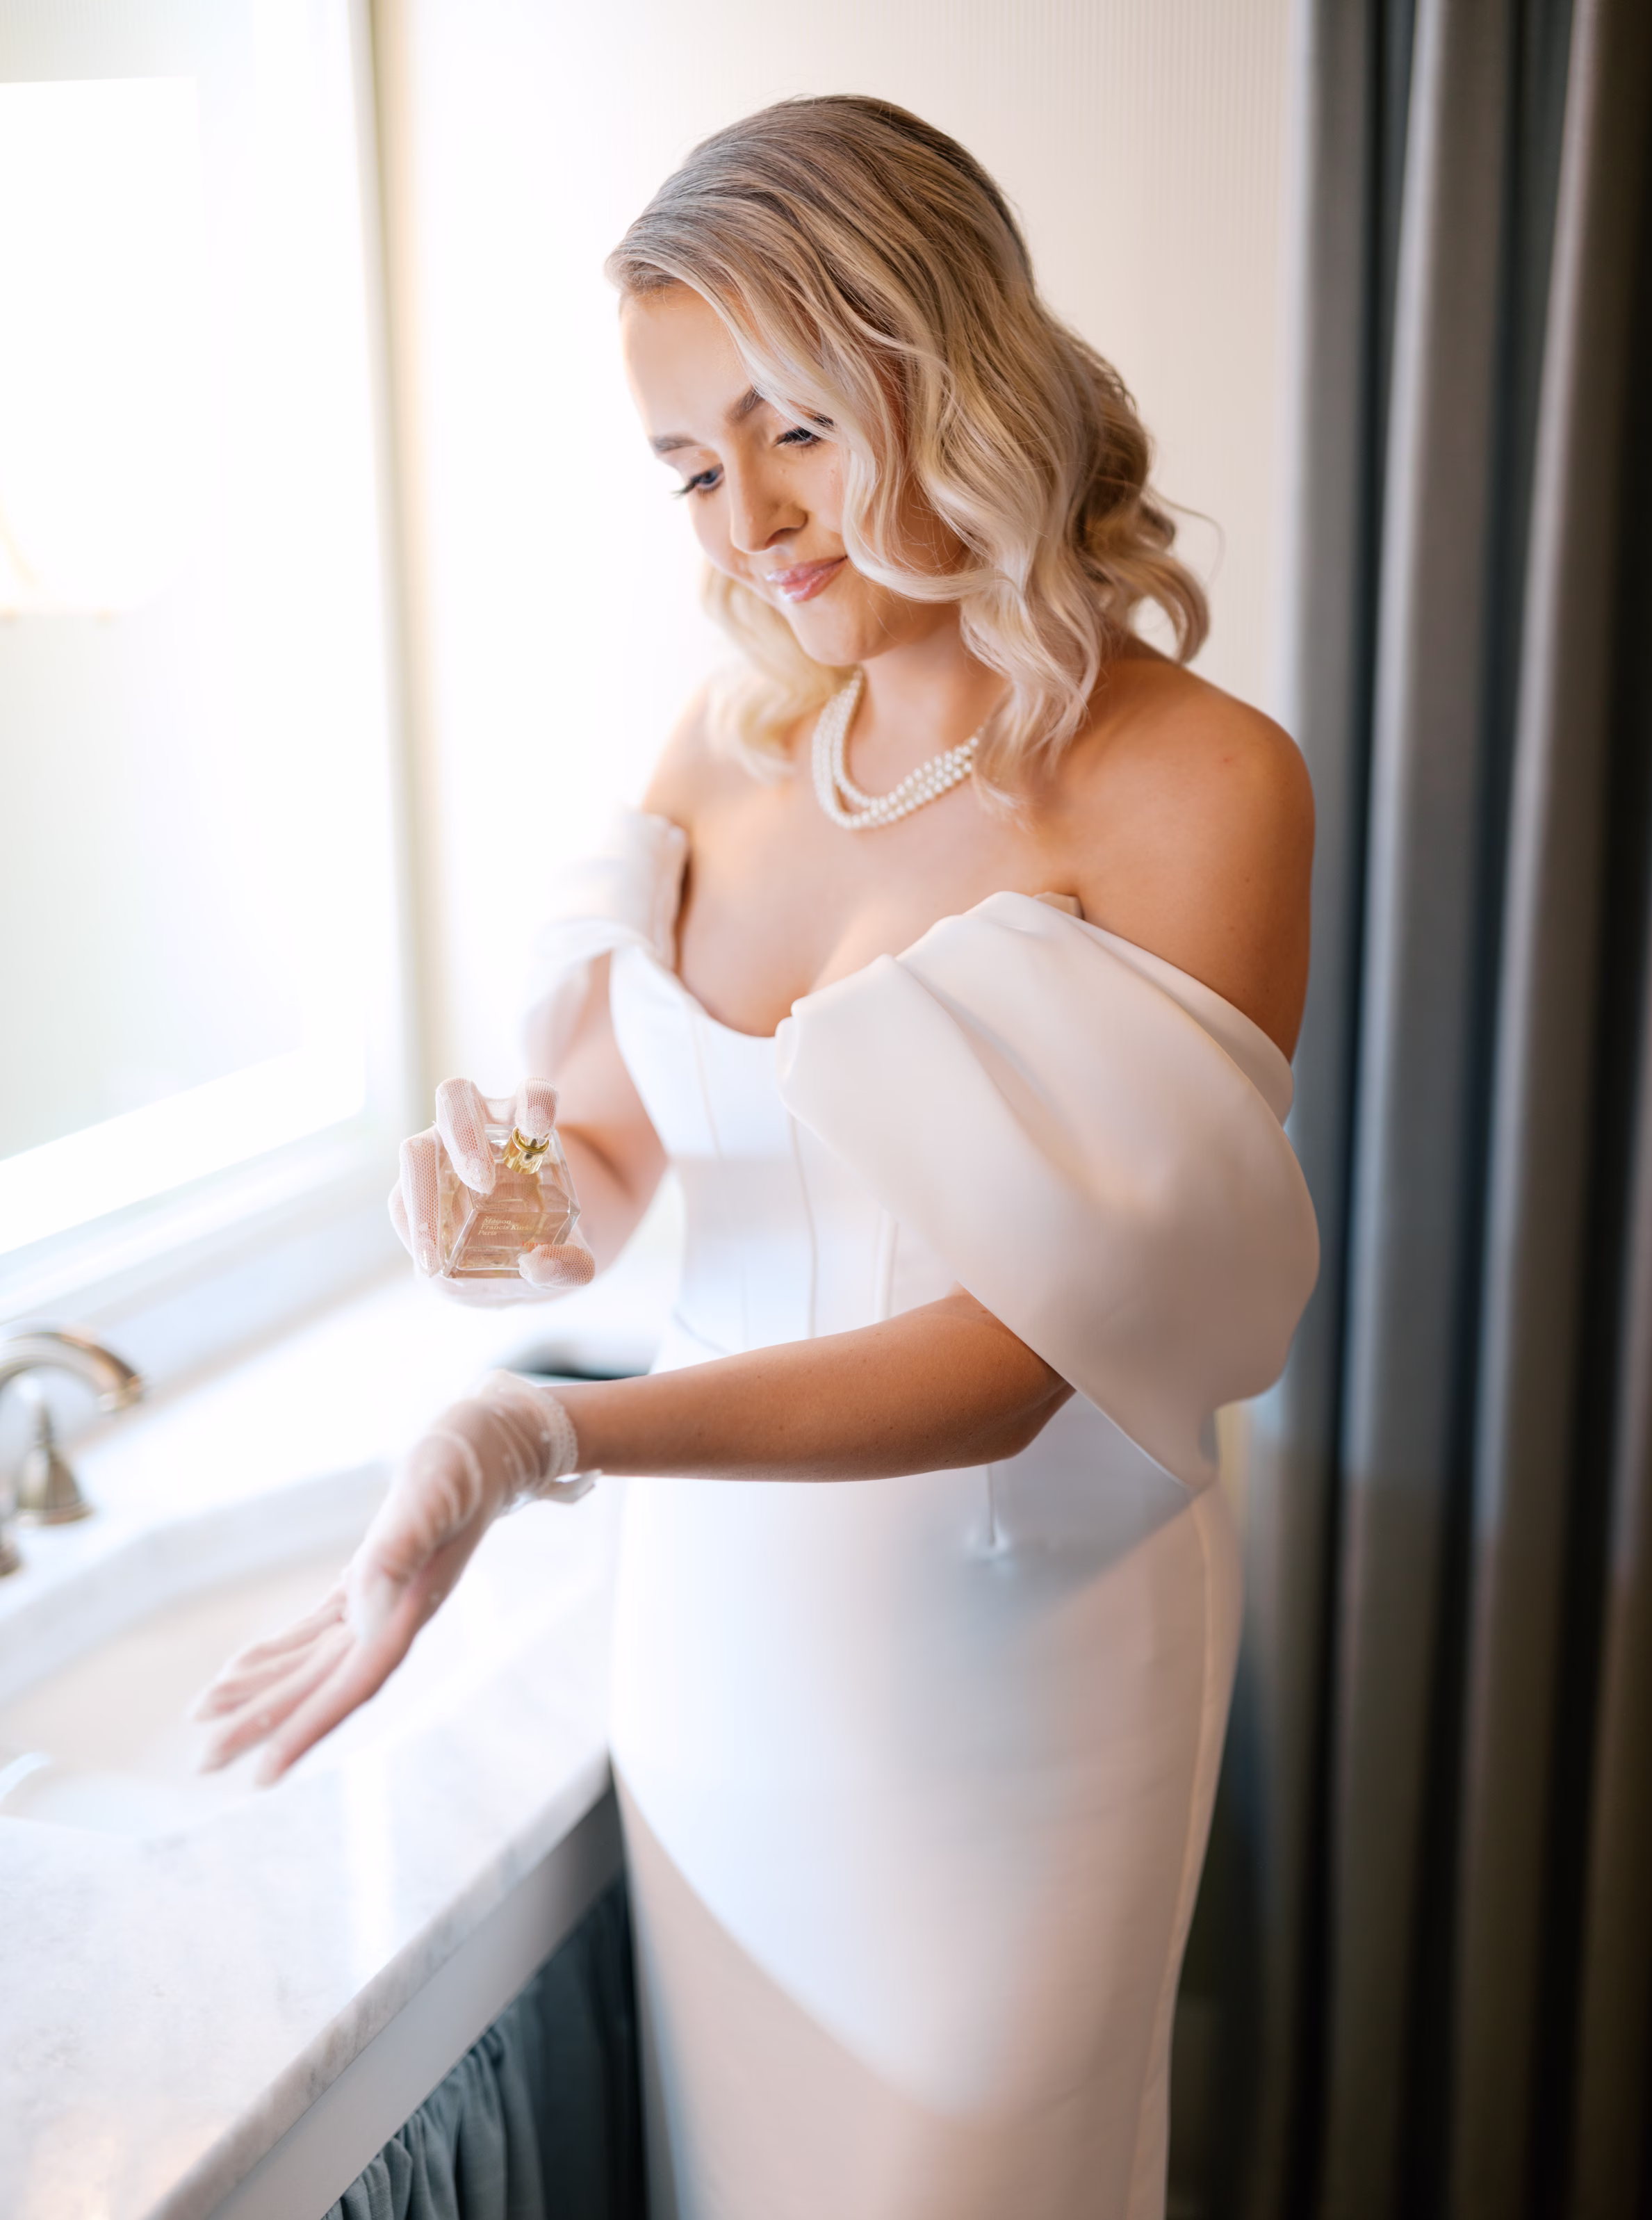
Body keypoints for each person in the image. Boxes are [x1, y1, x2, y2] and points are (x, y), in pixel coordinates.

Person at [197, 95, 1318, 2220]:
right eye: (691, 468)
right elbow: (615, 1164)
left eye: (791, 427)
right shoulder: (726, 741)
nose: (749, 522)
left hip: (1013, 1692)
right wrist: (498, 1205)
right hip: (715, 1654)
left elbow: (1026, 1356)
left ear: (948, 373)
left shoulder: (1201, 782)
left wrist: (541, 1437)